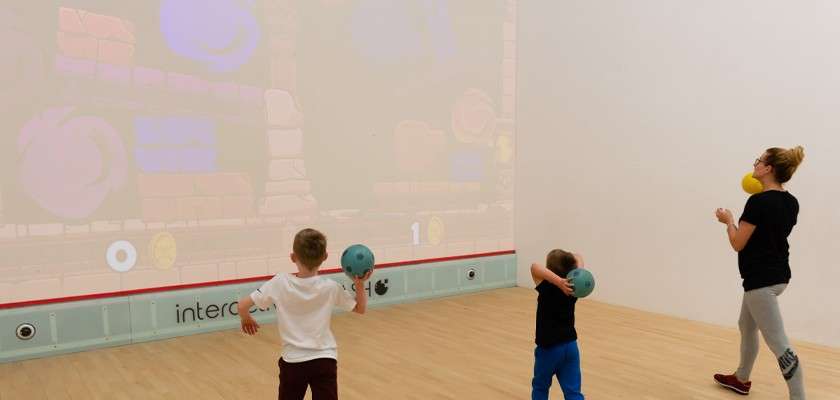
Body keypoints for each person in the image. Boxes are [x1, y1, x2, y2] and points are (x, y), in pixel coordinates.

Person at [713, 146, 806, 399]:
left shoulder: (758, 202)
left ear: (768, 169)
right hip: (779, 275)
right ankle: (741, 378)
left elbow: (737, 243)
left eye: (759, 161)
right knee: (746, 325)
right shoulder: (791, 202)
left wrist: (728, 221)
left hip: (761, 281)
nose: (755, 164)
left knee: (779, 345)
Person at [237, 228, 372, 400]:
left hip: (293, 363)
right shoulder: (330, 287)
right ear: (325, 257)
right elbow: (360, 308)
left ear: (293, 257)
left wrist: (246, 318)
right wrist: (359, 284)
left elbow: (242, 306)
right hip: (324, 360)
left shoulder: (280, 282)